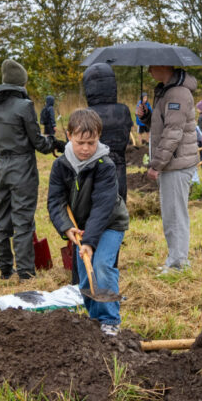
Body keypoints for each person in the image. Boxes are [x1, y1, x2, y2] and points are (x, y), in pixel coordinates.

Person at [47, 108, 129, 335]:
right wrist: (66, 227)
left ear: (98, 139)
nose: (86, 148)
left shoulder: (105, 165)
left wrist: (90, 243)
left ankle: (110, 321)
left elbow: (102, 208)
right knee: (85, 274)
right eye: (81, 142)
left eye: (91, 143)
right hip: (81, 227)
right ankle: (95, 319)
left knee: (101, 266)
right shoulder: (61, 166)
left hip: (110, 223)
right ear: (70, 135)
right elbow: (55, 201)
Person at [0, 58, 61, 280]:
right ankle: (25, 271)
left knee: (1, 218)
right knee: (23, 218)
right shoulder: (25, 106)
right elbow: (37, 141)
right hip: (23, 166)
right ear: (21, 83)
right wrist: (53, 143)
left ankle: (5, 269)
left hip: (2, 167)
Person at [136, 65, 199, 272]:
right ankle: (176, 259)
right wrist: (146, 117)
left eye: (152, 66)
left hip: (176, 163)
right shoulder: (166, 90)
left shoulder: (177, 93)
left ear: (164, 66)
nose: (149, 70)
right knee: (171, 213)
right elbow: (163, 123)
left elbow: (173, 133)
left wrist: (156, 165)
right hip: (172, 162)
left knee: (175, 215)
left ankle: (178, 264)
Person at [82, 63, 133, 199]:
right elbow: (126, 136)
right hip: (119, 170)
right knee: (119, 209)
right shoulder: (123, 110)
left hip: (93, 173)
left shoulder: (85, 115)